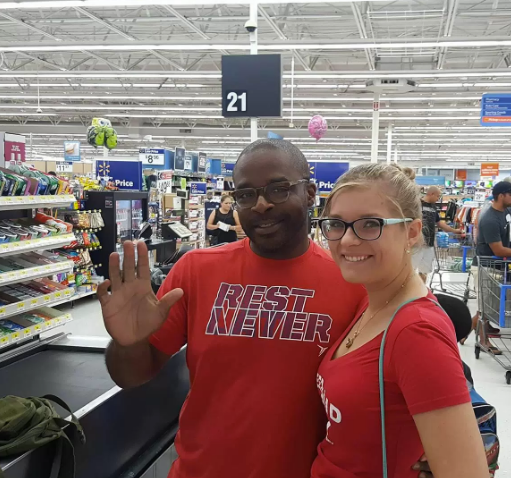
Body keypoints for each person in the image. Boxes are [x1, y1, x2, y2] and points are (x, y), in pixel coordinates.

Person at [98, 139, 430, 478]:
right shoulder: (194, 271)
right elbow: (132, 375)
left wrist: (436, 446)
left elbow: (409, 372)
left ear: (311, 193)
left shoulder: (354, 282)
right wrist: (129, 342)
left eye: (278, 189)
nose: (261, 204)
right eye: (245, 194)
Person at [313, 163, 488, 478]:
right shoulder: (371, 302)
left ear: (411, 232)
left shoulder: (416, 332)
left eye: (369, 224)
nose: (348, 240)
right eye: (336, 224)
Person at [414, 185, 462, 280]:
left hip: (429, 244)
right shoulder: (417, 205)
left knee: (424, 272)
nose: (438, 199)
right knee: (410, 271)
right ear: (431, 194)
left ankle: (422, 291)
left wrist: (455, 230)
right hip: (416, 244)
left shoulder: (433, 208)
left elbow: (440, 224)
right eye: (437, 196)